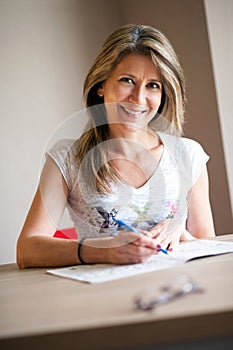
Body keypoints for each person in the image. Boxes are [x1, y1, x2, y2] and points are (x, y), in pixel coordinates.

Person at [17, 24, 215, 268]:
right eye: (127, 80)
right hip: (104, 297)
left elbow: (208, 250)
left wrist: (181, 236)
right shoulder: (68, 157)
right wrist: (105, 250)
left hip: (176, 292)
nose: (138, 98)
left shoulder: (189, 155)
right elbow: (27, 249)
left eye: (153, 85)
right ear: (101, 85)